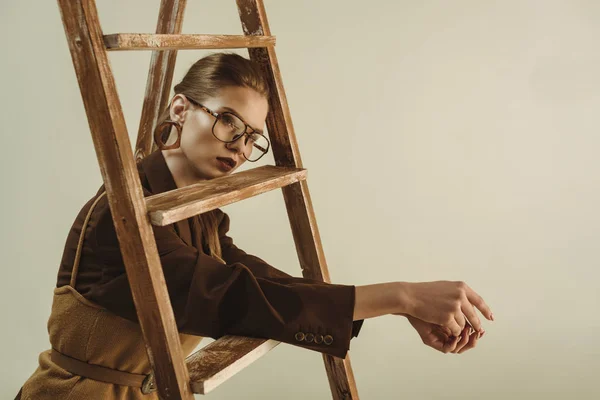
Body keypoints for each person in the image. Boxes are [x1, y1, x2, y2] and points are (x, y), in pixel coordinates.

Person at [17, 53, 493, 399]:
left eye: (251, 138)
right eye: (228, 122)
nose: (241, 150)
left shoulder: (199, 211)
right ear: (180, 110)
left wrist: (395, 308)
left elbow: (266, 283)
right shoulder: (119, 214)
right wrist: (402, 294)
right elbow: (230, 296)